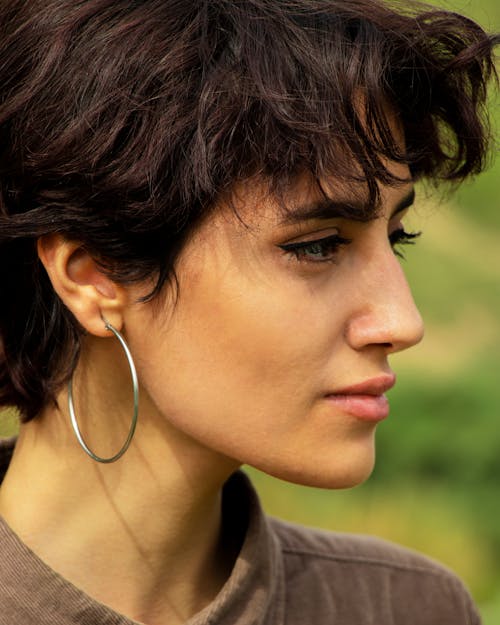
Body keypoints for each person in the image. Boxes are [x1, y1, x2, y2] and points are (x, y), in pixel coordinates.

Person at [0, 1, 497, 624]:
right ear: (95, 276)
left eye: (396, 238)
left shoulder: (408, 608)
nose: (403, 322)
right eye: (316, 246)